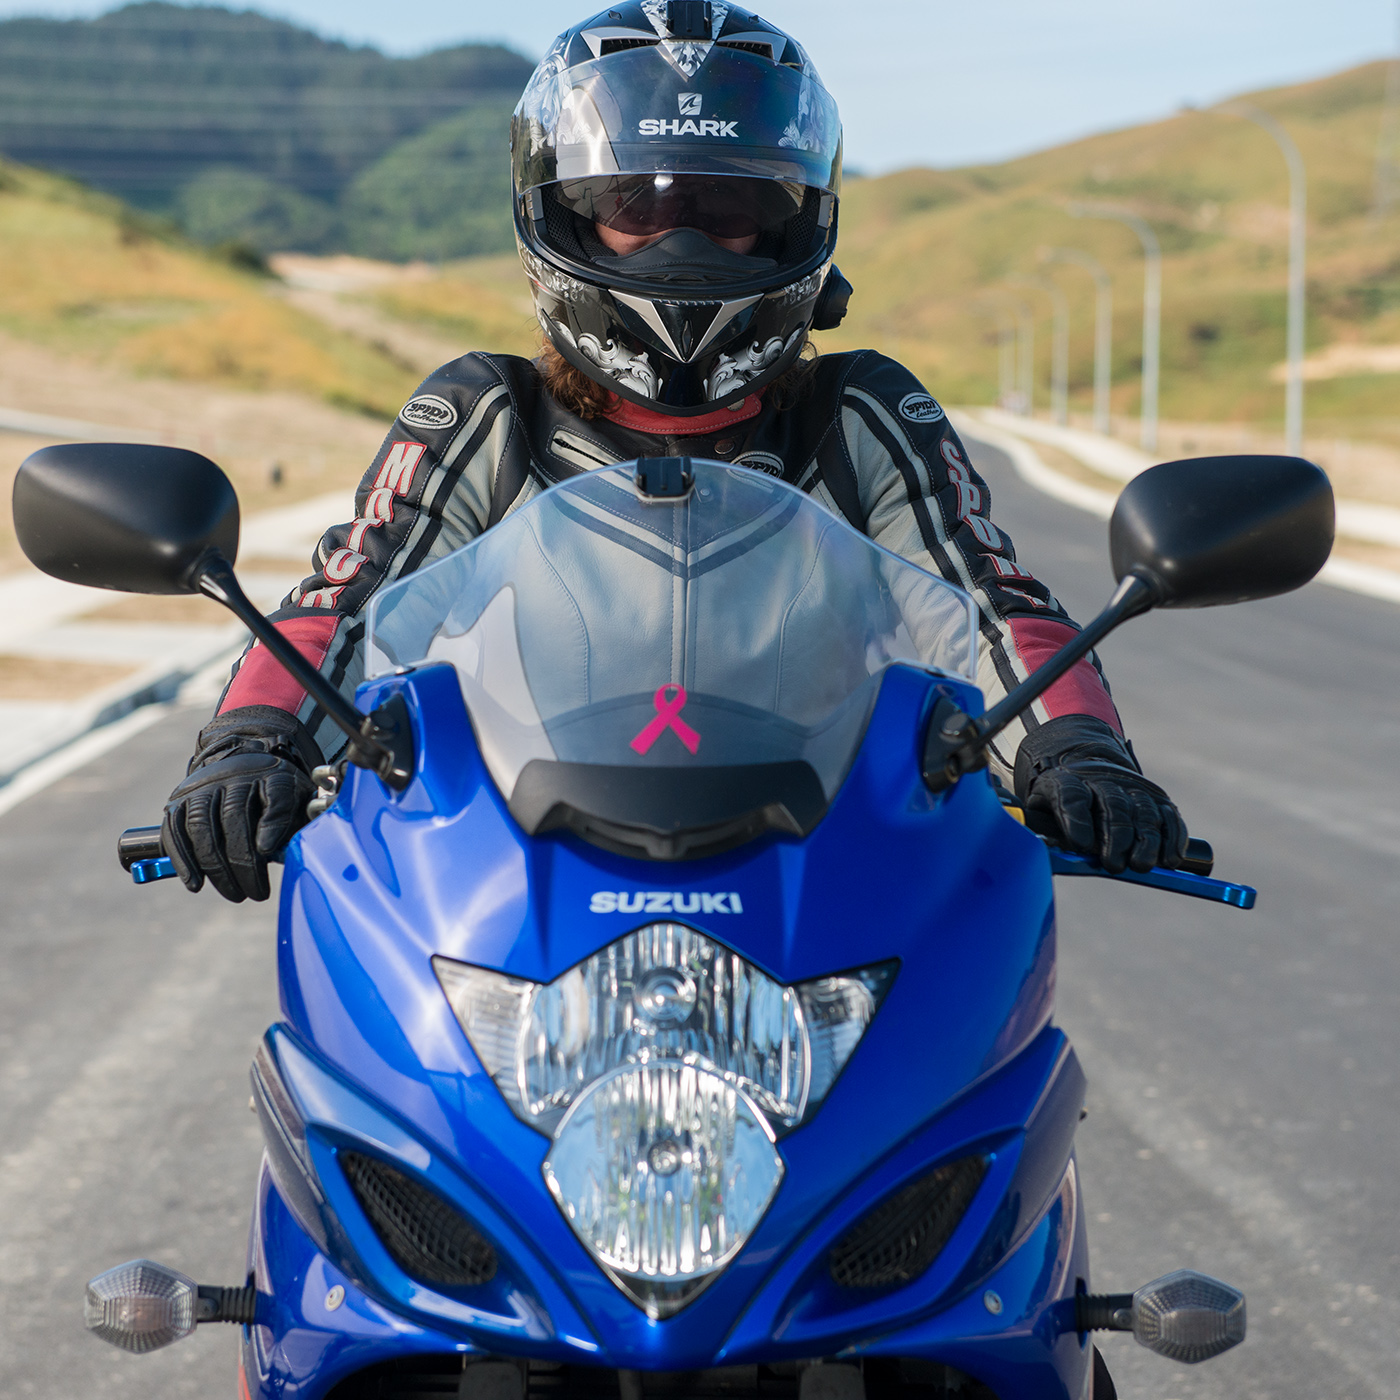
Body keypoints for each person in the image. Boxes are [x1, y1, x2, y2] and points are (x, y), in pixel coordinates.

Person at [162, 0, 1187, 903]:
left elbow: (984, 599)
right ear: (559, 215)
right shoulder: (489, 410)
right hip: (514, 877)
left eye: (728, 210)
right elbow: (347, 590)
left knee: (997, 1097)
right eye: (631, 208)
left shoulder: (854, 408)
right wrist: (253, 743)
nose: (677, 244)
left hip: (826, 874)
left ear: (794, 225)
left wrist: (1076, 748)